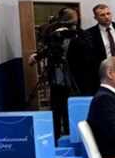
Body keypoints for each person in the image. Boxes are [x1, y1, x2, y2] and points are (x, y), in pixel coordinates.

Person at [33, 7, 81, 138]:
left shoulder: (75, 33)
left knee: (66, 105)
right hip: (60, 75)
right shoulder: (56, 33)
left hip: (66, 75)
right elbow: (51, 49)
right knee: (61, 105)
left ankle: (66, 131)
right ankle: (60, 134)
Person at [74, 3, 115, 95]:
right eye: (102, 15)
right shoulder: (89, 34)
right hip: (103, 72)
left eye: (108, 14)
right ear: (96, 18)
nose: (106, 17)